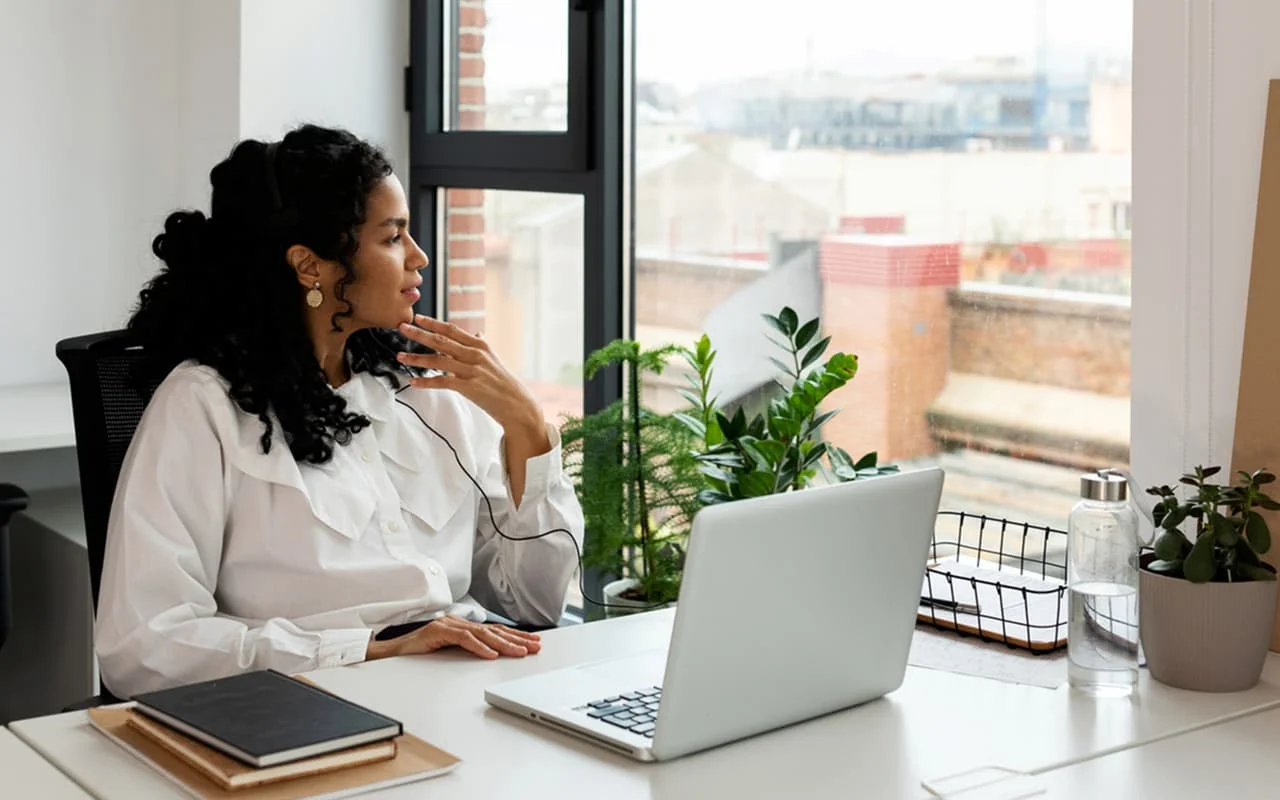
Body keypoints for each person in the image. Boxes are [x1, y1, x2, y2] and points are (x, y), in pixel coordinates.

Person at [94, 124, 585, 699]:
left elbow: (534, 604)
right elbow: (142, 647)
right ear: (310, 266)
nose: (419, 257)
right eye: (393, 237)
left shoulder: (427, 395)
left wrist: (525, 424)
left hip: (466, 693)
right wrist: (368, 650)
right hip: (307, 709)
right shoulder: (202, 405)